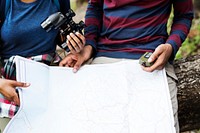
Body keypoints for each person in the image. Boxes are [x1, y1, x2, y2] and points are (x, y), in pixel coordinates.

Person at [59, 0, 194, 132]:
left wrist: (171, 46)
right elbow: (95, 6)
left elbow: (184, 15)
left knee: (161, 125)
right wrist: (89, 45)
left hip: (152, 58)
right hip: (105, 55)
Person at [0, 0, 85, 119]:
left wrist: (74, 47)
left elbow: (63, 34)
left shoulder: (57, 1)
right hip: (9, 83)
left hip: (48, 79)